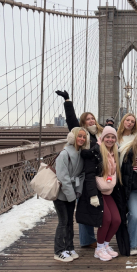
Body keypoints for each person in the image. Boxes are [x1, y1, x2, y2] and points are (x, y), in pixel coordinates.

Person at [55, 89, 103, 250]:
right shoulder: (81, 134)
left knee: (97, 206)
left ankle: (101, 237)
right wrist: (67, 101)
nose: (91, 121)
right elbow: (71, 120)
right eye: (87, 119)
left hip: (100, 176)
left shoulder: (101, 134)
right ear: (83, 122)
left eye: (93, 118)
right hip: (84, 178)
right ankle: (87, 239)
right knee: (84, 207)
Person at [77, 126, 128, 261]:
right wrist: (93, 195)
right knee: (106, 219)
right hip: (97, 191)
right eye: (107, 137)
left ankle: (105, 245)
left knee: (116, 220)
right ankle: (99, 249)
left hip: (109, 191)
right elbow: (89, 175)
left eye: (113, 137)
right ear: (103, 138)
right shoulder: (95, 152)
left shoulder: (115, 152)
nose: (110, 140)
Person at [53, 127, 87, 262]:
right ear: (72, 137)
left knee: (69, 222)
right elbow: (63, 177)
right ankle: (58, 251)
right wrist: (72, 195)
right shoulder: (64, 154)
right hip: (61, 194)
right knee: (63, 222)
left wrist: (78, 190)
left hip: (72, 192)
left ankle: (69, 247)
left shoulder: (81, 154)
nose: (82, 139)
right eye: (79, 136)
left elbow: (81, 175)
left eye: (84, 137)